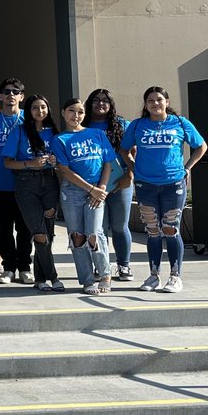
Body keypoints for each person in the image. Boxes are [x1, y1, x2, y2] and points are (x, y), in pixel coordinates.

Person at [121, 87, 208, 294]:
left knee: (170, 229)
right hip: (146, 185)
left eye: (159, 99)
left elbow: (201, 146)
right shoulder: (138, 125)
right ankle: (153, 276)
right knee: (152, 230)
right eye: (150, 100)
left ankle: (175, 276)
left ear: (167, 102)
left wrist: (187, 168)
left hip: (173, 183)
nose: (155, 103)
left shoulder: (179, 123)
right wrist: (133, 167)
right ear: (145, 104)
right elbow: (123, 149)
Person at [52, 98, 118, 294]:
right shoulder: (59, 139)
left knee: (94, 233)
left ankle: (105, 274)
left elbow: (108, 163)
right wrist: (91, 189)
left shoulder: (97, 134)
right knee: (77, 236)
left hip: (97, 189)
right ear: (64, 112)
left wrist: (101, 187)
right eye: (72, 111)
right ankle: (87, 280)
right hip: (72, 191)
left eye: (80, 112)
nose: (76, 115)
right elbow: (64, 170)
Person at [2, 94, 62, 292]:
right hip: (26, 184)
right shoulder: (19, 131)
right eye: (35, 108)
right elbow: (7, 162)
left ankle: (40, 278)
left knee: (48, 232)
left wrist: (56, 162)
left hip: (50, 183)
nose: (40, 111)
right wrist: (29, 164)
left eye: (43, 107)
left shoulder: (53, 132)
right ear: (28, 111)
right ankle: (52, 276)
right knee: (39, 232)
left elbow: (63, 160)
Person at [0, 78, 31, 285]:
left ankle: (25, 267)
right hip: (0, 184)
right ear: (0, 96)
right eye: (6, 91)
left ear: (22, 96)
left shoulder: (29, 120)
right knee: (4, 228)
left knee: (24, 228)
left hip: (25, 183)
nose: (11, 95)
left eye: (15, 91)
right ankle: (8, 268)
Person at [84, 89, 134, 281]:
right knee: (99, 227)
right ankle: (101, 265)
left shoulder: (122, 124)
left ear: (111, 104)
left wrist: (129, 175)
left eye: (105, 101)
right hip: (94, 185)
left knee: (120, 226)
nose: (100, 104)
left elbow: (132, 152)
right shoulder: (83, 124)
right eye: (96, 100)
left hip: (120, 182)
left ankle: (124, 266)